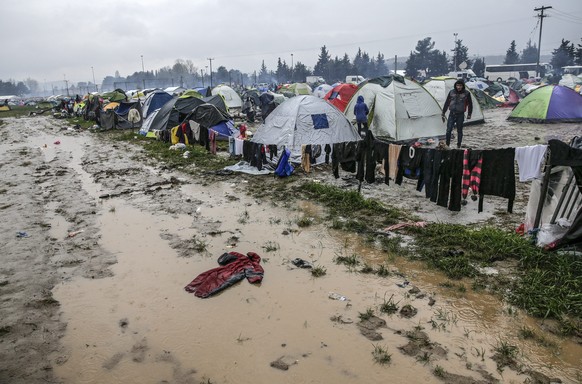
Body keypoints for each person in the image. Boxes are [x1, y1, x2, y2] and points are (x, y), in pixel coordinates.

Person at [442, 80, 473, 148]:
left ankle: (458, 145)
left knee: (459, 130)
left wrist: (469, 114)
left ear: (463, 86)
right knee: (448, 130)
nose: (459, 87)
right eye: (457, 85)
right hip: (451, 114)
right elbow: (447, 103)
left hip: (460, 114)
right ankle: (447, 145)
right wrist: (443, 113)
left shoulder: (467, 93)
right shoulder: (451, 92)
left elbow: (470, 104)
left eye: (460, 86)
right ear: (455, 86)